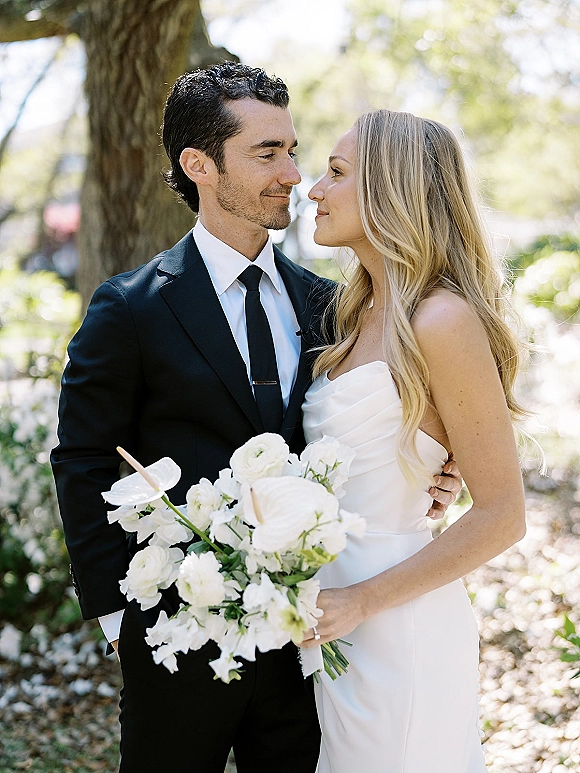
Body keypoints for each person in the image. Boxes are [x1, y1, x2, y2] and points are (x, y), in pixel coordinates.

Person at [50, 64, 461, 773]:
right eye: (267, 153)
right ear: (199, 165)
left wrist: (432, 463)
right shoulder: (131, 307)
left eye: (293, 150)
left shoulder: (330, 304)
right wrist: (123, 623)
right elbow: (82, 459)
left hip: (312, 637)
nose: (294, 175)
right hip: (179, 631)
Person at [299, 109, 527, 772]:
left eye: (336, 173)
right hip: (330, 622)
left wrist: (363, 599)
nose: (314, 188)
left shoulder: (442, 317)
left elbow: (502, 515)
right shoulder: (354, 312)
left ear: (389, 190)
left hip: (396, 628)